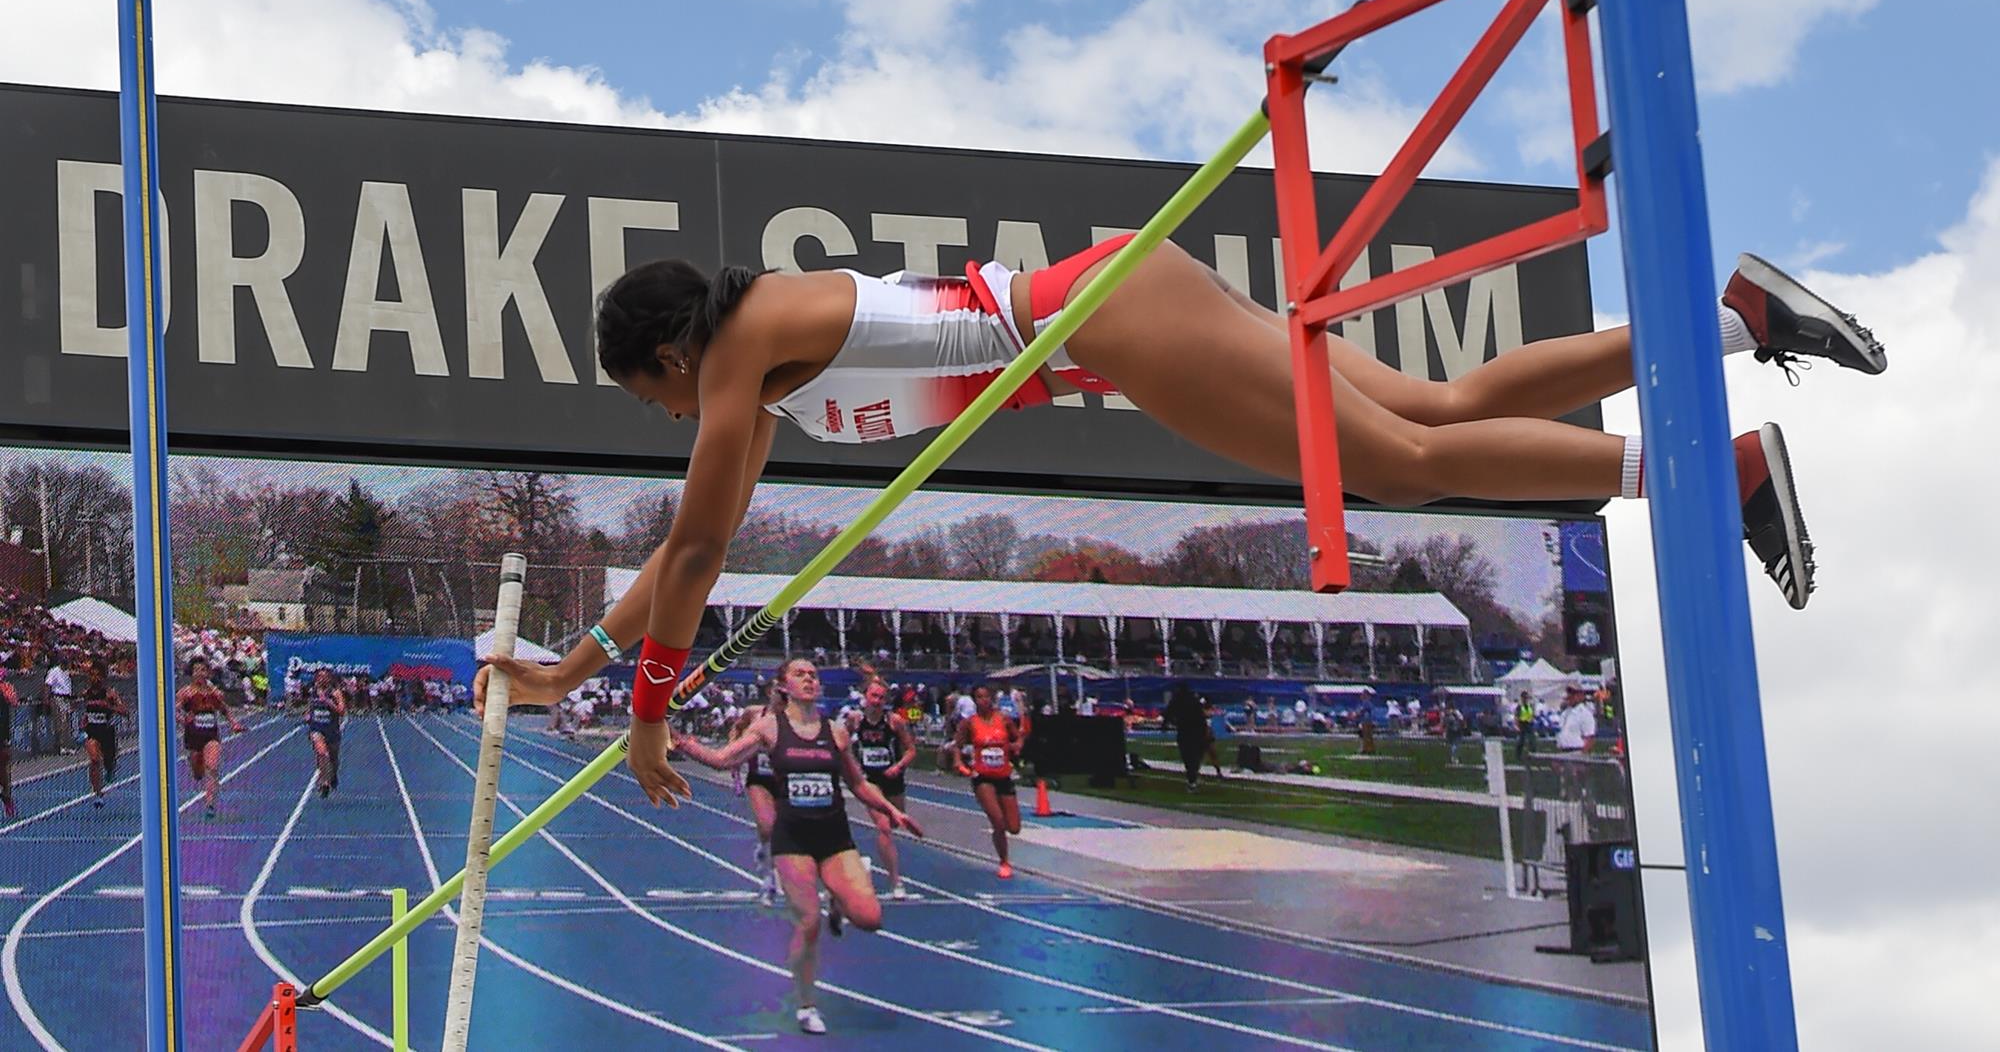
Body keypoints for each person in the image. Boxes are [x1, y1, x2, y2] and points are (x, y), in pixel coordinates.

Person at [475, 241, 1883, 808]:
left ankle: (1714, 471)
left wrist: (649, 719)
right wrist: (579, 673)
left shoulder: (737, 354)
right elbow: (673, 561)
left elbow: (705, 553)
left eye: (648, 395)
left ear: (667, 353)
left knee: (1390, 463)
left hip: (1111, 323)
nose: (668, 418)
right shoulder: (765, 366)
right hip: (1120, 309)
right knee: (1437, 409)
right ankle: (1733, 325)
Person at [668, 658, 922, 1036]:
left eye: (814, 675)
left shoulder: (835, 731)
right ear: (784, 686)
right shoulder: (769, 727)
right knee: (809, 922)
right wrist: (680, 740)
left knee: (870, 918)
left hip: (834, 835)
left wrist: (891, 811)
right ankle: (806, 1005)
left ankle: (841, 894)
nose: (809, 679)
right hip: (794, 838)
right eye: (800, 674)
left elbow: (857, 784)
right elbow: (723, 760)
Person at [847, 671, 917, 899]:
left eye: (881, 698)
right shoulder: (855, 720)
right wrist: (853, 766)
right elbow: (843, 743)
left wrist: (898, 767)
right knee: (884, 827)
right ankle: (896, 882)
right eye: (873, 696)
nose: (876, 701)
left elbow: (910, 750)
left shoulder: (894, 721)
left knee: (896, 822)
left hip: (893, 779)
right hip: (870, 781)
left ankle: (873, 860)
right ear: (865, 696)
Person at [953, 684, 1024, 878]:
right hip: (983, 777)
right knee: (998, 822)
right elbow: (957, 746)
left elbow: (1018, 739)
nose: (982, 700)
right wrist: (959, 763)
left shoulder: (1004, 719)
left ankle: (1004, 850)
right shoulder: (969, 723)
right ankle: (1004, 861)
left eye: (986, 697)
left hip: (1003, 775)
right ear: (974, 700)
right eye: (978, 697)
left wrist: (1014, 746)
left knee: (1014, 827)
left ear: (991, 699)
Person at [731, 682, 784, 905]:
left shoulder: (794, 719)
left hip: (784, 779)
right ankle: (769, 879)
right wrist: (733, 749)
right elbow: (737, 726)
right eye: (777, 692)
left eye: (784, 693)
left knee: (783, 830)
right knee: (766, 825)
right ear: (769, 693)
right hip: (758, 778)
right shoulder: (754, 713)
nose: (780, 697)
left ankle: (770, 858)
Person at [177, 659, 244, 818]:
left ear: (207, 673)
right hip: (193, 736)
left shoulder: (214, 693)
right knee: (198, 772)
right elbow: (175, 710)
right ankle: (196, 768)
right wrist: (183, 719)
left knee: (212, 767)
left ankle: (210, 804)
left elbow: (224, 709)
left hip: (211, 735)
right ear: (192, 674)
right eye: (196, 670)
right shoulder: (186, 692)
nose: (200, 673)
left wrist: (234, 723)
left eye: (203, 670)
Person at [78, 664, 130, 807]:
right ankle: (98, 794)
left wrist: (109, 707)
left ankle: (110, 768)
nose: (95, 678)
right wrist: (83, 723)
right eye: (92, 675)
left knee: (109, 763)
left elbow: (125, 711)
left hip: (107, 732)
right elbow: (86, 713)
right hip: (92, 731)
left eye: (97, 675)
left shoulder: (110, 694)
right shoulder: (86, 693)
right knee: (94, 760)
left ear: (103, 677)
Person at [305, 667, 346, 799]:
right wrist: (307, 715)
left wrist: (330, 703)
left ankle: (332, 775)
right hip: (316, 728)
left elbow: (342, 711)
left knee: (333, 759)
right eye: (319, 676)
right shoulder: (313, 692)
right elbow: (310, 707)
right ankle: (324, 782)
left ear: (329, 678)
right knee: (322, 754)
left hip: (332, 729)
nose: (322, 679)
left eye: (325, 676)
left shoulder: (335, 693)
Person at [1164, 683, 1213, 790]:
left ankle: (1192, 777)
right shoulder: (1194, 699)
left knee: (1187, 755)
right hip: (1198, 729)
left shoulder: (1177, 699)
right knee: (1196, 754)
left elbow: (1168, 713)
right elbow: (1202, 713)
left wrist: (1165, 725)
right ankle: (1193, 776)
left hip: (1185, 730)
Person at [0, 670, 19, 819]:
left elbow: (14, 701)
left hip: (2, 732)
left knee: (3, 766)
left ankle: (6, 796)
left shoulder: (5, 688)